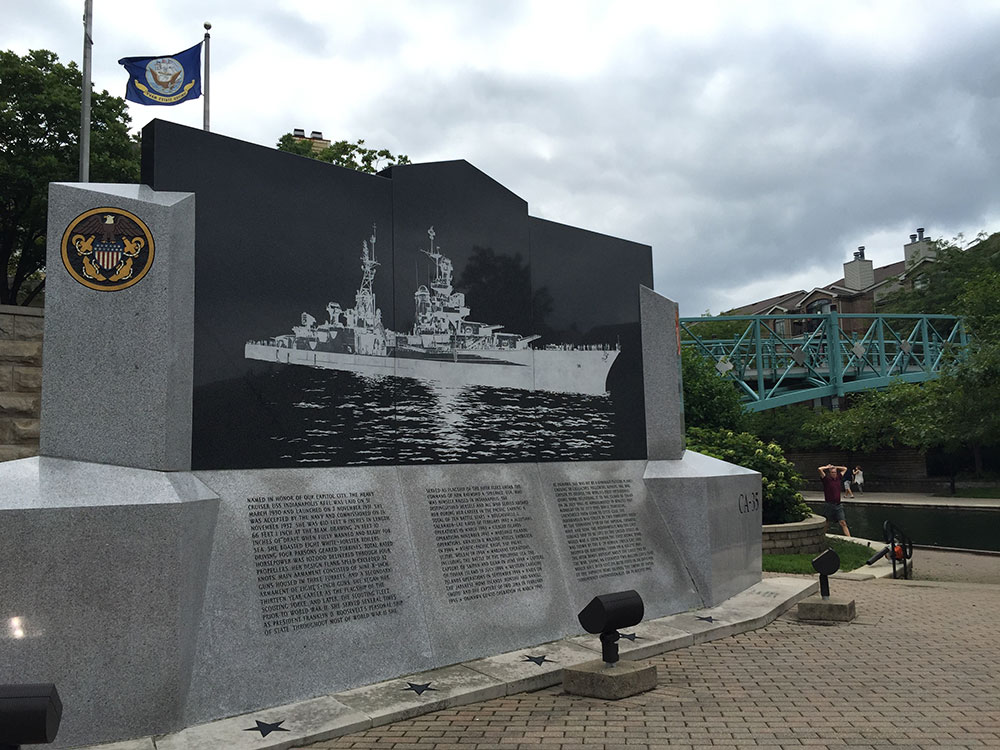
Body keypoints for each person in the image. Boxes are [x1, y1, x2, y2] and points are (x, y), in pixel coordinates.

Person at [818, 464, 851, 536]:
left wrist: (836, 467)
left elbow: (845, 468)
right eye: (832, 472)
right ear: (830, 473)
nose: (834, 474)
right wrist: (827, 467)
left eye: (835, 472)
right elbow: (820, 469)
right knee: (826, 522)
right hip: (829, 504)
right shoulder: (826, 479)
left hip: (838, 505)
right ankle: (822, 536)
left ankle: (850, 538)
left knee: (843, 522)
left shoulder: (839, 478)